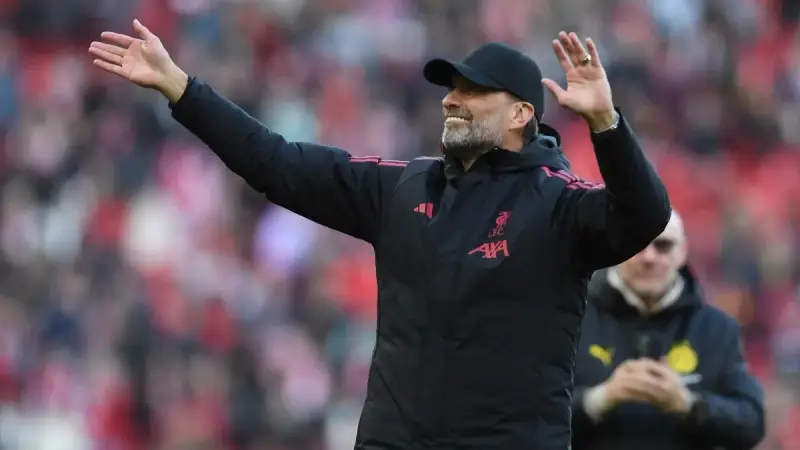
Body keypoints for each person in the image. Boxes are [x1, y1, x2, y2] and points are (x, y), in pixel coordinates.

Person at [89, 19, 671, 450]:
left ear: (521, 115)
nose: (451, 99)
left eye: (472, 90)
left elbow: (644, 217)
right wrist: (182, 89)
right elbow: (277, 164)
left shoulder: (559, 203)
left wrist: (606, 123)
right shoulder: (403, 187)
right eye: (451, 88)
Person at [572, 212, 765, 450]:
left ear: (682, 252)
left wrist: (689, 405)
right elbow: (534, 415)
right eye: (636, 245)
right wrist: (599, 400)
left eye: (663, 246)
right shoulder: (574, 320)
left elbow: (751, 424)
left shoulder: (717, 329)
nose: (649, 257)